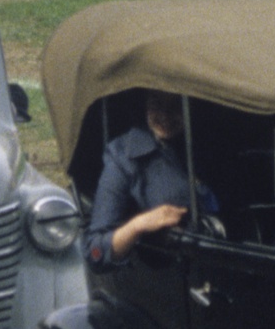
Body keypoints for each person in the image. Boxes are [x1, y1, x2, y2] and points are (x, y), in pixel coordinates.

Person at [84, 93, 199, 266]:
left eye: (176, 106)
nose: (165, 115)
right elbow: (96, 250)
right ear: (144, 104)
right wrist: (140, 224)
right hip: (167, 272)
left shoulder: (207, 144)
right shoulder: (124, 158)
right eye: (157, 104)